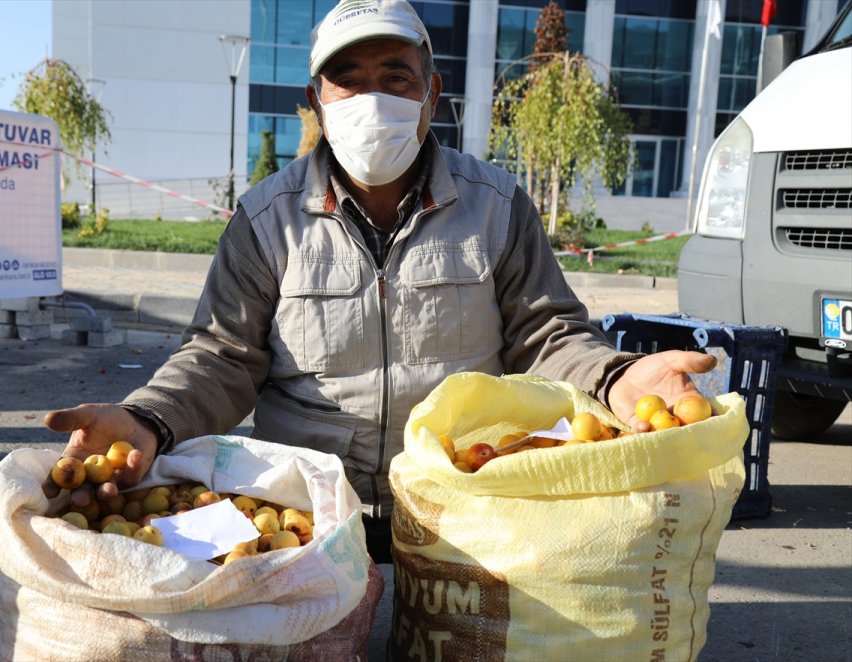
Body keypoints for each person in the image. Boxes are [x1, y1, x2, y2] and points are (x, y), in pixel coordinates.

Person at [43, 0, 716, 563]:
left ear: (432, 94)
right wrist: (148, 418)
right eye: (348, 81)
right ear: (318, 100)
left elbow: (546, 335)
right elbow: (222, 355)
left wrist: (615, 378)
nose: (372, 100)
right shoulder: (267, 219)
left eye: (395, 77)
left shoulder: (497, 206)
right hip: (306, 518)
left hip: (464, 505)